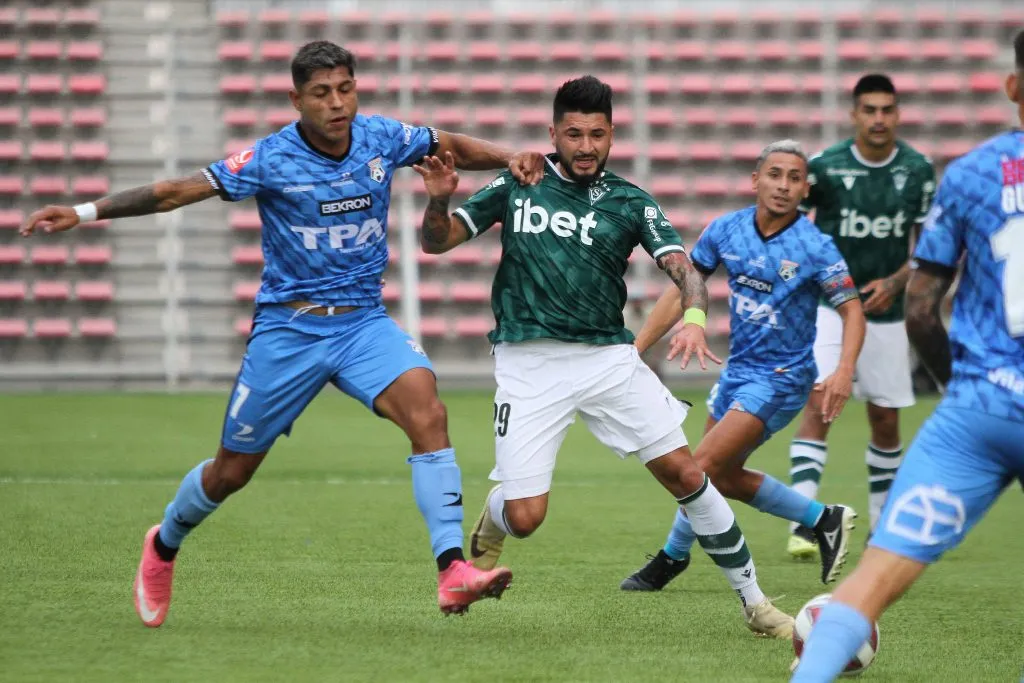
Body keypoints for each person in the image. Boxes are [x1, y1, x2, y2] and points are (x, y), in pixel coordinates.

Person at [19, 40, 546, 625]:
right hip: (289, 330)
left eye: (345, 89)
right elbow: (172, 193)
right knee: (231, 472)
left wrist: (511, 157)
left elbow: (451, 145)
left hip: (362, 324)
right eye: (321, 94)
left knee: (429, 413)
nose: (336, 103)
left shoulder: (382, 137)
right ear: (297, 100)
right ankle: (164, 544)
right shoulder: (270, 158)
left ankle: (452, 572)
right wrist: (84, 212)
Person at [411, 76, 793, 637]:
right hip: (529, 363)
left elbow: (686, 272)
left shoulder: (631, 201)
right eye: (574, 134)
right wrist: (440, 197)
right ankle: (494, 519)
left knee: (686, 473)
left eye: (597, 135)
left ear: (612, 134)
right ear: (553, 135)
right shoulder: (519, 181)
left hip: (607, 360)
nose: (586, 146)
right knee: (526, 518)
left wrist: (693, 319)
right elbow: (436, 242)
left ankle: (756, 604)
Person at [791, 31, 1024, 682]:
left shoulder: (969, 172)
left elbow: (923, 307)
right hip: (851, 310)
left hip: (982, 408)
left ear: (1012, 87)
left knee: (869, 582)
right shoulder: (832, 167)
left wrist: (964, 388)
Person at [620, 140, 866, 592]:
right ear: (756, 180)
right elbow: (684, 287)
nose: (783, 185)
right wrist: (635, 350)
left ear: (805, 189)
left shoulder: (816, 246)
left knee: (699, 466)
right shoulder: (726, 230)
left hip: (782, 378)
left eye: (794, 178)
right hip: (737, 371)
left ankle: (671, 558)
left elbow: (853, 310)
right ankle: (822, 518)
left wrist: (844, 370)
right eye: (775, 174)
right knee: (721, 476)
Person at [787, 75, 937, 558]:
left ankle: (881, 527)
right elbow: (792, 226)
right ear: (854, 114)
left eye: (887, 110)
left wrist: (897, 281)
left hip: (887, 310)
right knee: (820, 402)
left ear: (898, 114)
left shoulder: (918, 170)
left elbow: (929, 248)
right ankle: (804, 522)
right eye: (869, 110)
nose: (878, 119)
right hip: (831, 306)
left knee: (885, 419)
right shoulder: (825, 167)